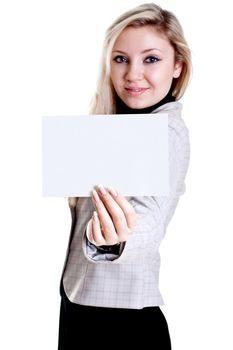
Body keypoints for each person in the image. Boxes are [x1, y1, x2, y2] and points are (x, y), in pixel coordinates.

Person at [58, 3, 191, 349]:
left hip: (121, 322)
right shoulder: (107, 128)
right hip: (78, 306)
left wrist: (115, 239)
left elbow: (151, 217)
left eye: (151, 59)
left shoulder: (165, 129)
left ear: (178, 65)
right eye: (121, 59)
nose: (133, 74)